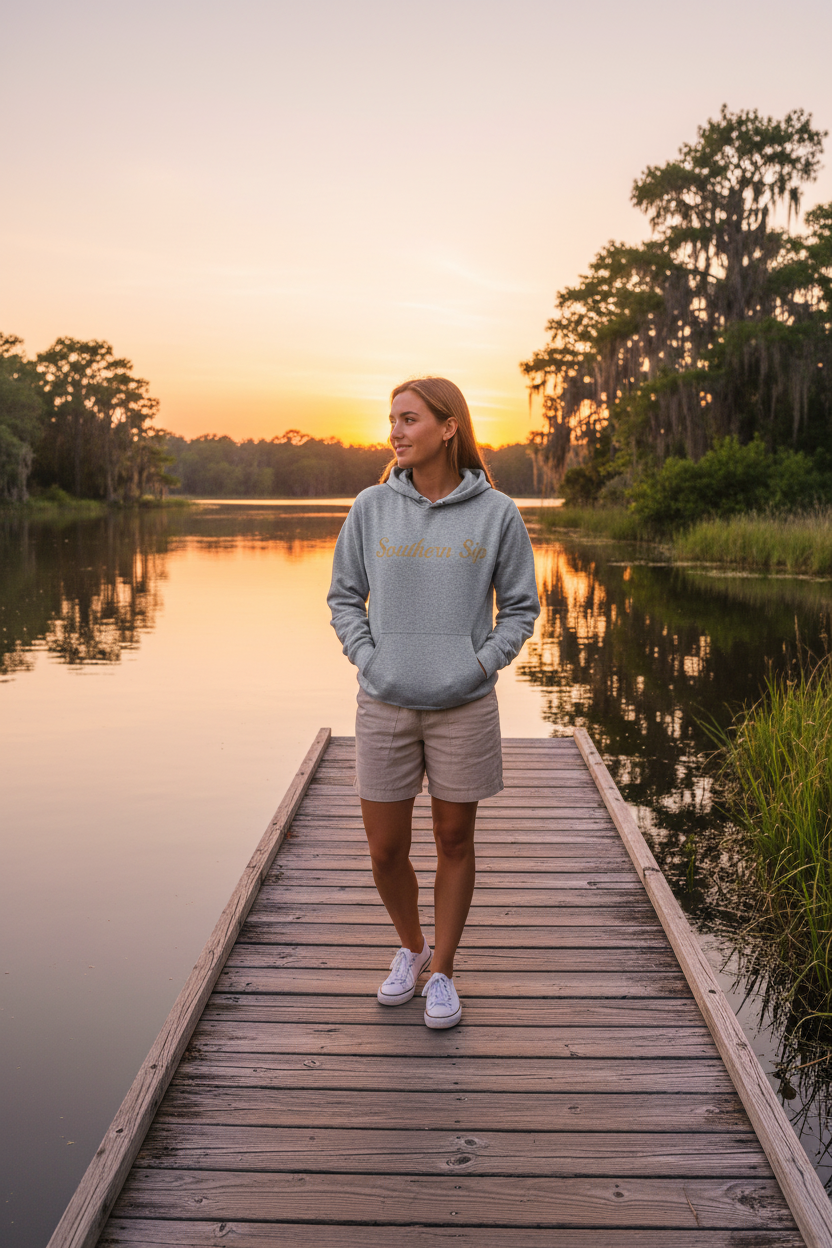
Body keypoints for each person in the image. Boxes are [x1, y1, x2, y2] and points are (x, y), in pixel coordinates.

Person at [327, 377, 540, 1028]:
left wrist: (477, 664)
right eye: (391, 419)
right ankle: (412, 949)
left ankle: (443, 969)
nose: (394, 431)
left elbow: (521, 609)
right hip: (384, 703)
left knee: (454, 839)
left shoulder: (496, 512)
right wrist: (370, 659)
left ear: (449, 427)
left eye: (409, 418)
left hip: (464, 705)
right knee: (386, 850)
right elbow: (343, 598)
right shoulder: (370, 507)